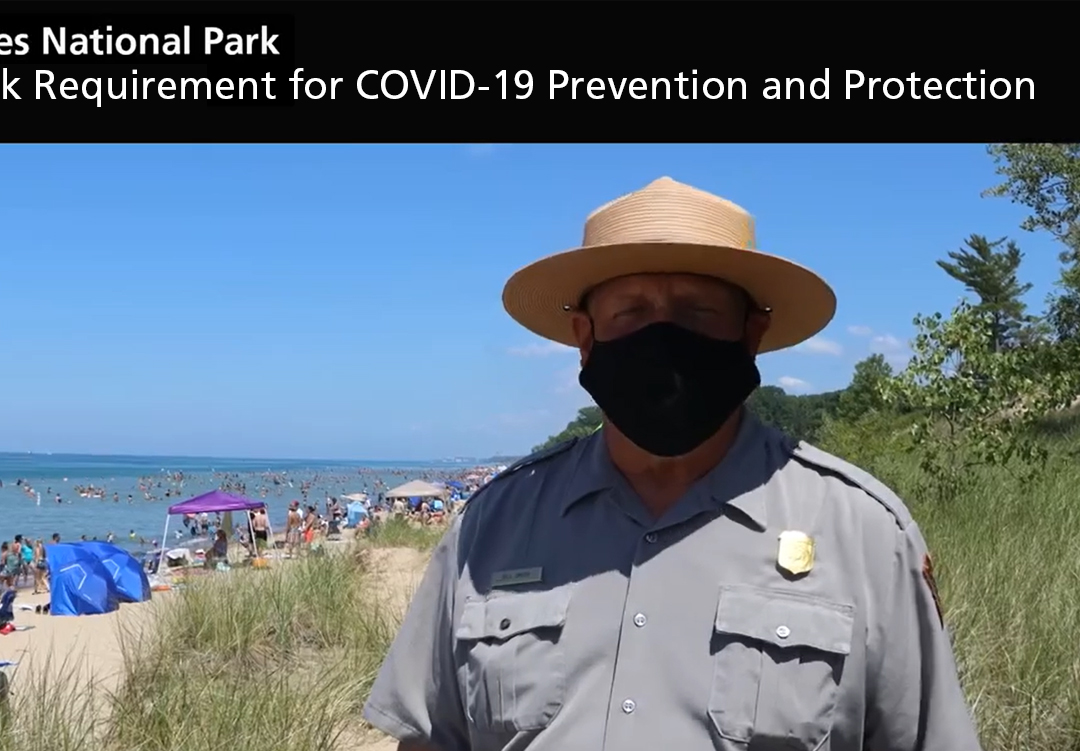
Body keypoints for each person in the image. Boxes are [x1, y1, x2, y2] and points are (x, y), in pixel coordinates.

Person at [362, 177, 981, 751]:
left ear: (750, 334)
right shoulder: (490, 528)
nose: (663, 339)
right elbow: (430, 738)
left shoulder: (865, 536)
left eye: (697, 313)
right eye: (630, 312)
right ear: (585, 336)